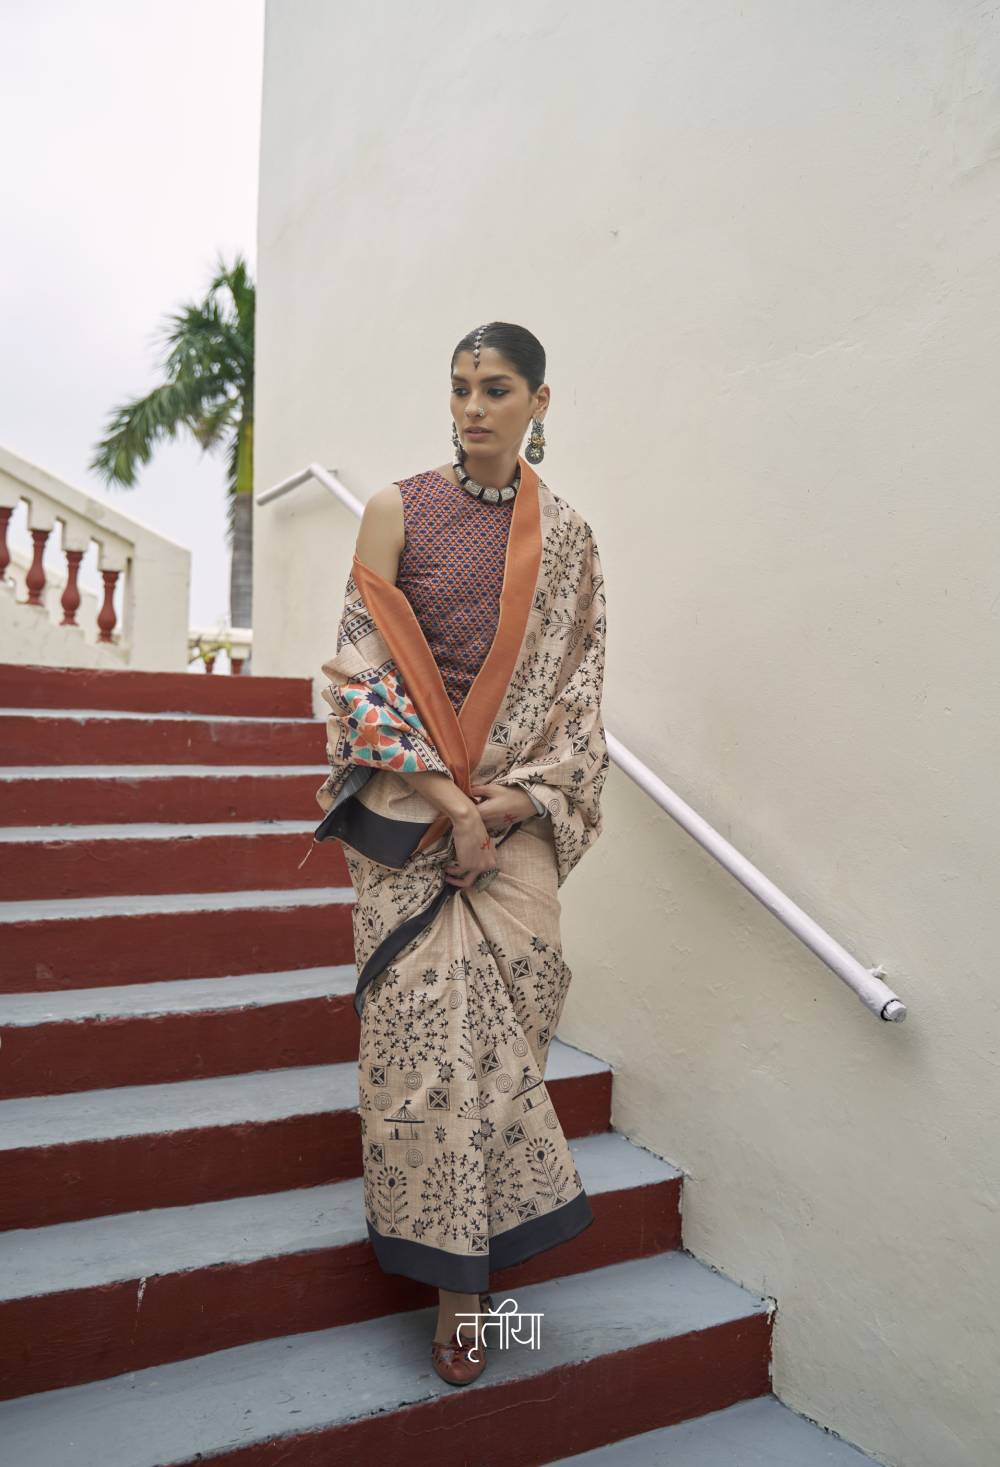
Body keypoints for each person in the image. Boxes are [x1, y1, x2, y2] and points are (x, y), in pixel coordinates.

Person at [314, 321, 609, 1385]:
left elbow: (578, 705)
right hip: (410, 812)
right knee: (426, 1044)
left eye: (495, 389)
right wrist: (453, 804)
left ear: (539, 401)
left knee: (513, 1020)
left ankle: (478, 1263)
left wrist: (510, 807)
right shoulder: (395, 508)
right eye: (458, 388)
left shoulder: (569, 539)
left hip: (516, 821)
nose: (472, 408)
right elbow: (356, 673)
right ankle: (460, 1296)